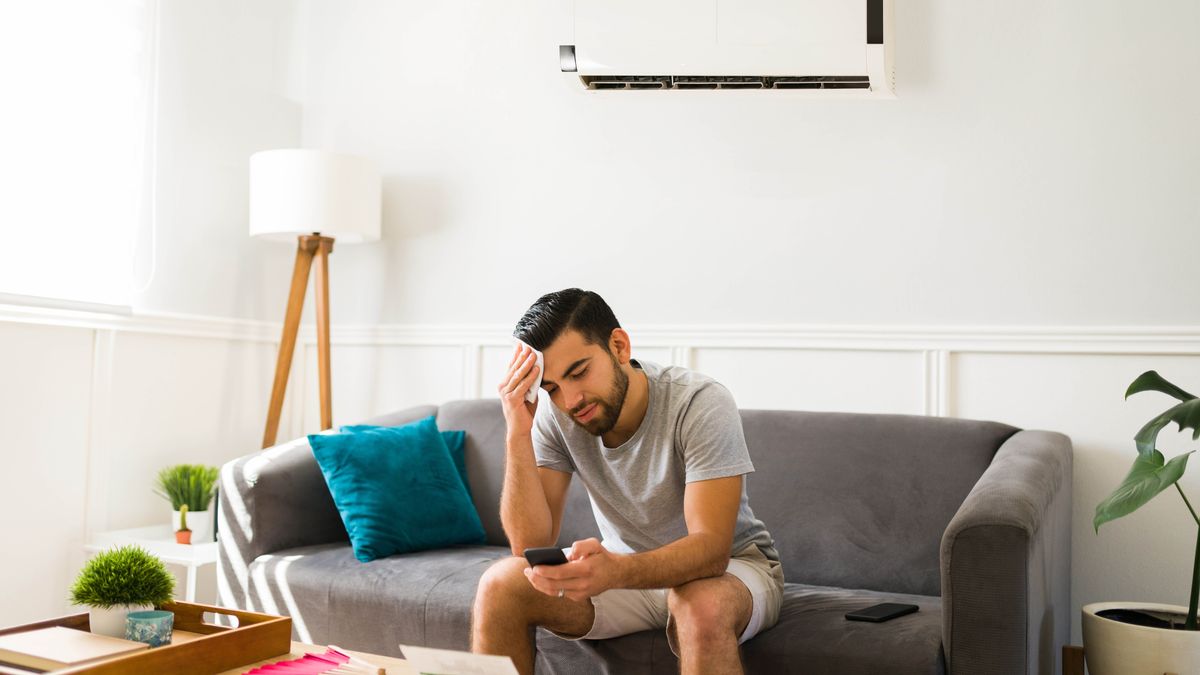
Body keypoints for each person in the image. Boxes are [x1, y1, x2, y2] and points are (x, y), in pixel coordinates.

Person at [471, 288, 784, 675]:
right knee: (500, 583)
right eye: (551, 388)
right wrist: (517, 432)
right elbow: (529, 546)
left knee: (700, 603)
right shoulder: (557, 416)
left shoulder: (699, 402)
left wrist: (615, 570)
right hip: (627, 576)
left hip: (731, 570)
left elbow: (711, 551)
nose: (570, 400)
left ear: (619, 346)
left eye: (579, 372)